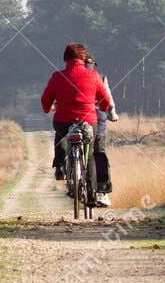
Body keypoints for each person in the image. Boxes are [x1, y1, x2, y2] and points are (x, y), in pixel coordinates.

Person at [39, 42, 114, 197]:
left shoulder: (57, 76)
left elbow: (45, 100)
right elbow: (105, 99)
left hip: (63, 120)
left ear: (65, 58)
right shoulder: (93, 75)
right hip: (89, 121)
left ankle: (60, 166)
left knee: (60, 136)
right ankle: (92, 192)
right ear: (83, 57)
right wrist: (104, 108)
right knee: (91, 153)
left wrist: (48, 109)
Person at [84, 54, 118, 207]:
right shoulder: (100, 77)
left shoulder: (71, 77)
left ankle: (72, 176)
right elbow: (108, 99)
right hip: (98, 122)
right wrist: (112, 115)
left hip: (77, 121)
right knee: (99, 154)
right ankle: (102, 192)